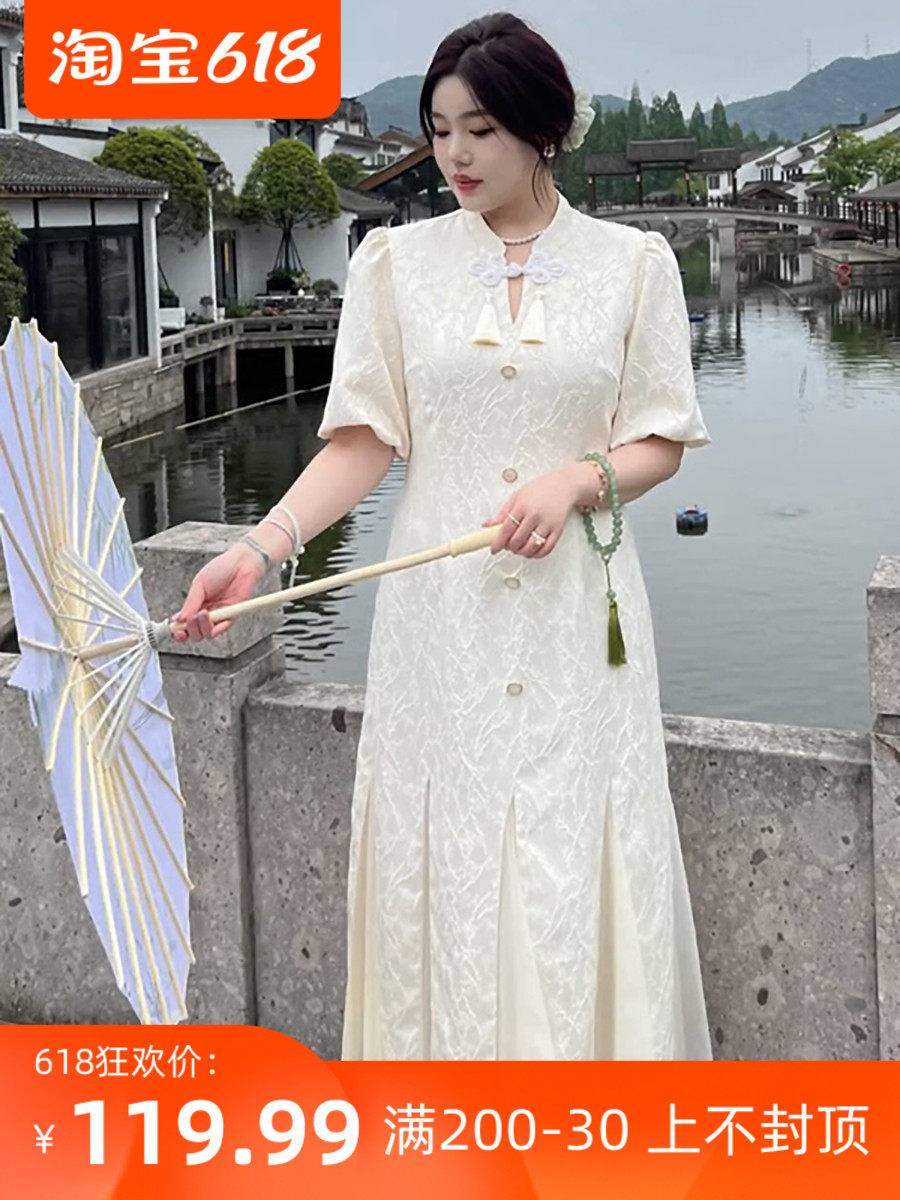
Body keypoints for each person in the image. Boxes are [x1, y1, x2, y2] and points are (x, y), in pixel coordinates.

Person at [174, 11, 713, 1061]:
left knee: (573, 848)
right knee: (451, 850)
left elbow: (661, 441)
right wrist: (261, 548)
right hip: (441, 630)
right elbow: (363, 442)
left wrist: (578, 481)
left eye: (482, 130)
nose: (455, 155)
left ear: (543, 129)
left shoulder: (633, 264)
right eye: (440, 130)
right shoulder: (394, 263)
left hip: (577, 623)